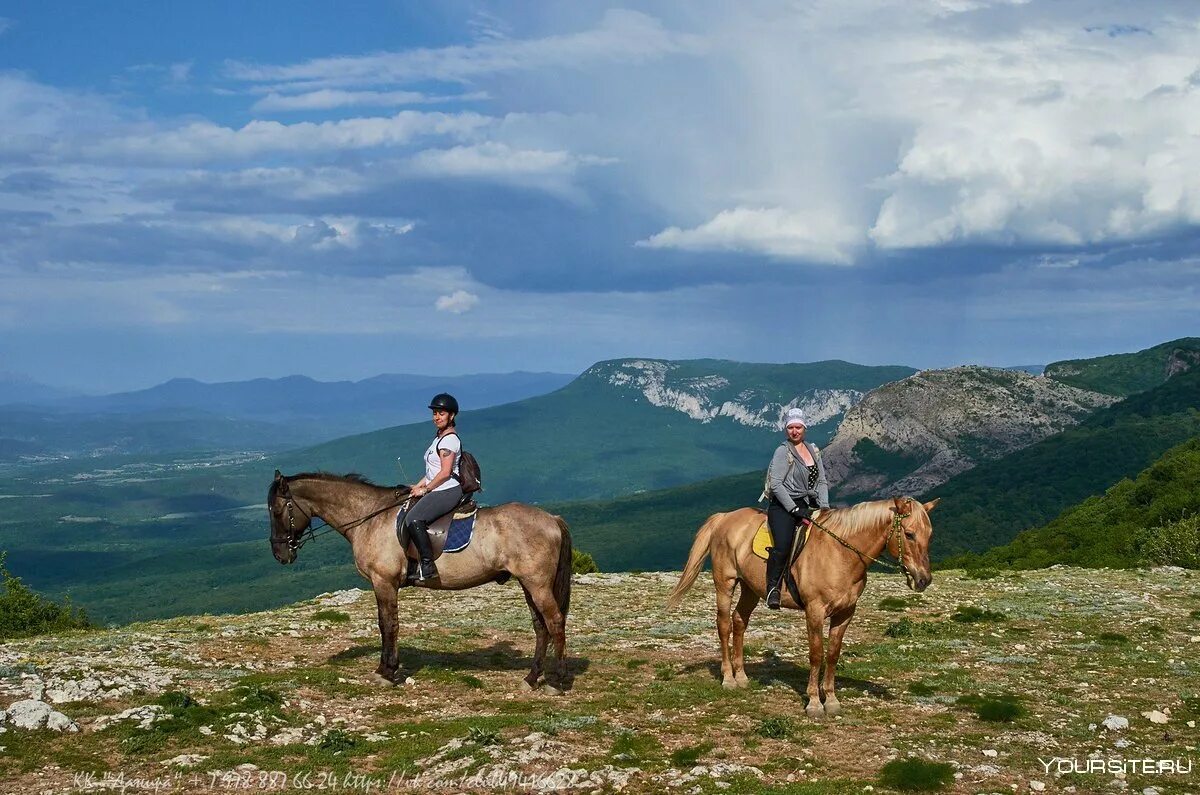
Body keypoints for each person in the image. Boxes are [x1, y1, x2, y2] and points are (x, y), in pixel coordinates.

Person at [764, 407, 829, 609]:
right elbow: (776, 484)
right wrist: (793, 509)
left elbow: (822, 481)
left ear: (804, 428)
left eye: (798, 427)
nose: (794, 431)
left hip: (806, 504)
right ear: (786, 430)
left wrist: (825, 507)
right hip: (783, 507)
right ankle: (772, 589)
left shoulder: (813, 450)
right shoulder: (783, 451)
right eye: (790, 427)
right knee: (783, 546)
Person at [403, 393, 464, 582]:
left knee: (413, 518)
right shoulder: (438, 438)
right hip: (437, 486)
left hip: (447, 489)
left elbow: (445, 473)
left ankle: (428, 566)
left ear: (451, 416)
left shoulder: (449, 441)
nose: (437, 417)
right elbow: (433, 470)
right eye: (435, 413)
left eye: (441, 413)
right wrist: (418, 485)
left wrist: (426, 489)